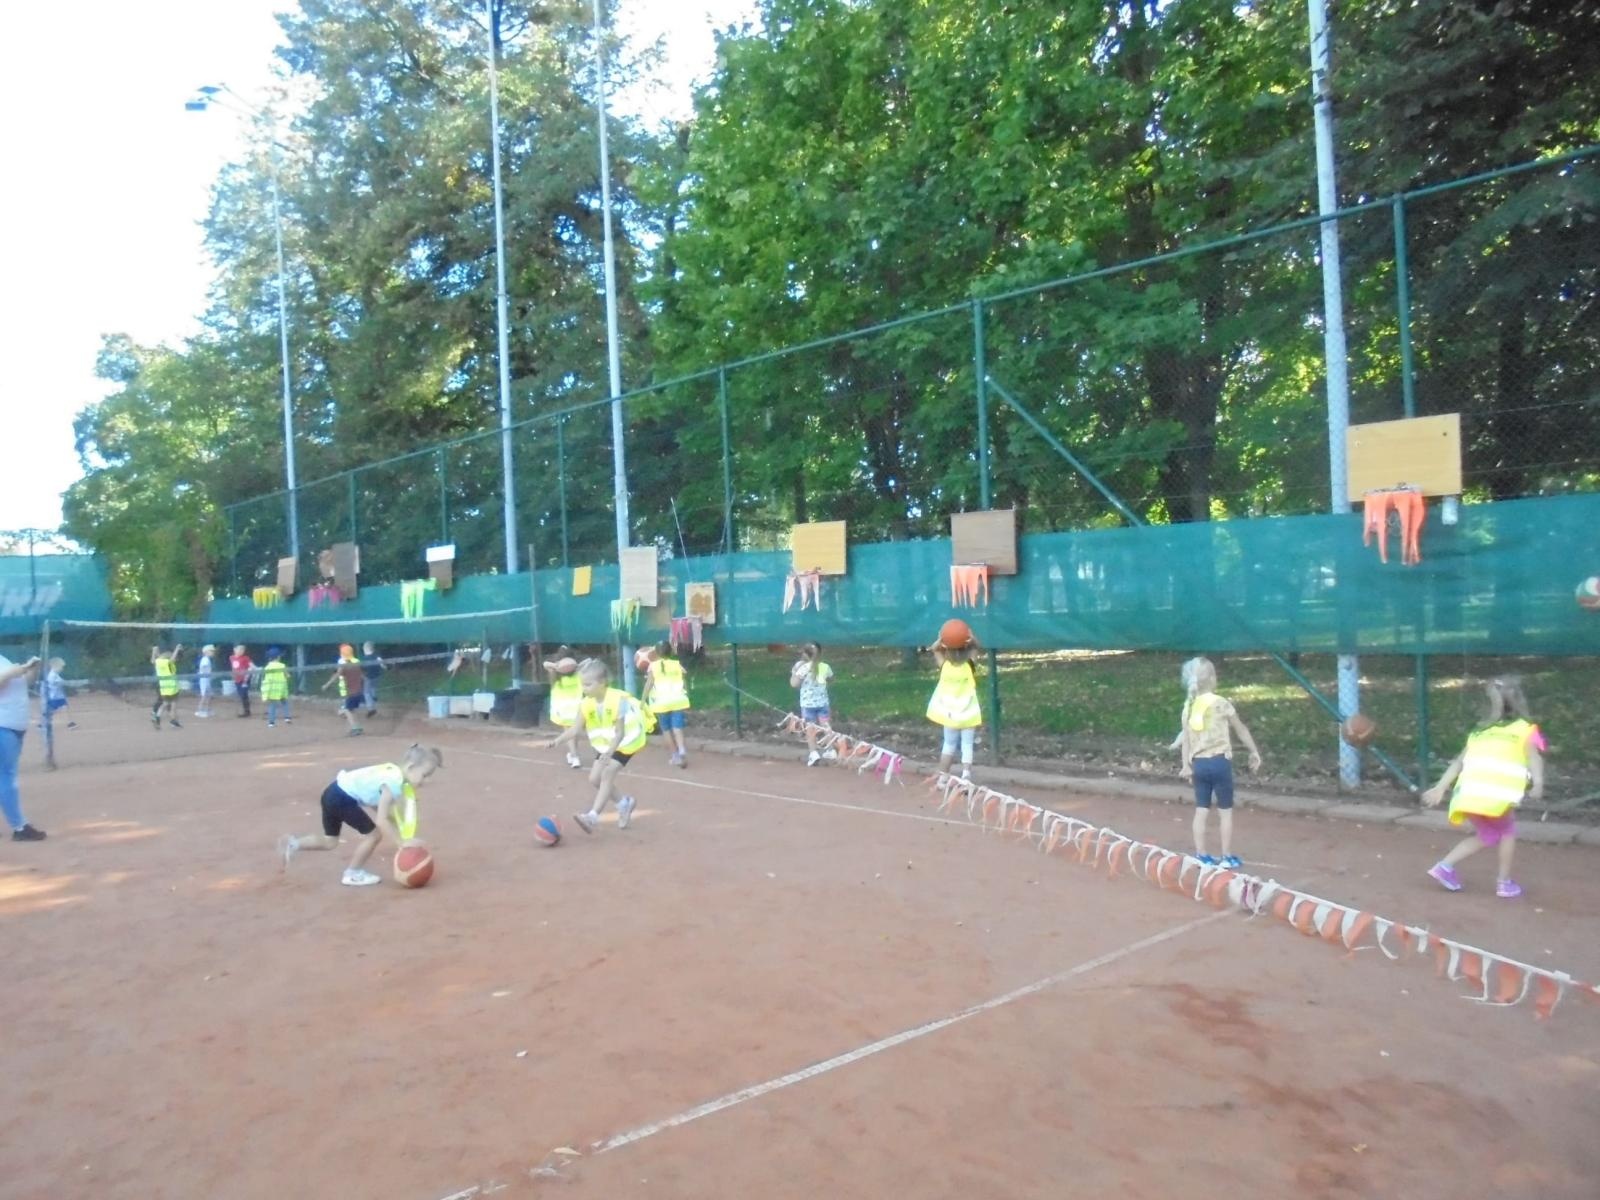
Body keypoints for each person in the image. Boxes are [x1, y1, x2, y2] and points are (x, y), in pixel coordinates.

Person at [1421, 676, 1545, 899]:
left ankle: (1444, 866)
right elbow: (1534, 758)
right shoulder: (1525, 730)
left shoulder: (1479, 733)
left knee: (1488, 835)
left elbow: (1459, 762)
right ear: (1519, 702)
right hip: (1496, 796)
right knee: (1507, 832)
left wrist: (1440, 787)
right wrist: (1538, 783)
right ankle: (1504, 883)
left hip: (1468, 795)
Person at [278, 743, 444, 887]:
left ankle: (294, 844)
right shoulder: (394, 782)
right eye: (425, 775)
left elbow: (375, 803)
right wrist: (401, 843)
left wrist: (400, 830)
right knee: (374, 835)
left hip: (332, 792)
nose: (426, 781)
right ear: (411, 767)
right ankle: (352, 873)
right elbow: (381, 819)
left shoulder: (391, 770)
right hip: (342, 798)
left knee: (330, 841)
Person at [1176, 657, 1262, 870]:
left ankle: (1202, 854)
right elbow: (1240, 729)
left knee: (1201, 809)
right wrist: (1254, 750)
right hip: (1220, 763)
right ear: (1213, 679)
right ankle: (1226, 856)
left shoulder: (1189, 707)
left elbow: (1186, 740)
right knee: (1225, 811)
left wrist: (1186, 765)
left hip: (1199, 765)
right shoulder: (1221, 703)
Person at [541, 659, 644, 834]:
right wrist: (557, 741)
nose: (584, 688)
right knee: (594, 779)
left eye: (588, 684)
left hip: (626, 741)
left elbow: (620, 732)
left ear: (602, 682)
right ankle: (624, 803)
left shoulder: (617, 700)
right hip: (606, 744)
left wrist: (610, 752)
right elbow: (574, 729)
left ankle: (592, 816)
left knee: (607, 773)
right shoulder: (586, 703)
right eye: (582, 684)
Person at [0, 652, 46, 841]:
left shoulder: (3, 659)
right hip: (4, 725)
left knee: (6, 775)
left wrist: (31, 671)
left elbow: (20, 684)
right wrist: (15, 671)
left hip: (14, 725)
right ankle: (20, 827)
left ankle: (19, 826)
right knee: (6, 776)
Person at [926, 636, 982, 780]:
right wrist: (969, 636)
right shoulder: (969, 665)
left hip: (950, 712)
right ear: (966, 651)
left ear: (947, 651)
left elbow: (935, 648)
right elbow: (976, 646)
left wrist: (941, 638)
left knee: (949, 744)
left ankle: (943, 777)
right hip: (968, 711)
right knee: (967, 744)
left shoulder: (944, 666)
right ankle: (966, 774)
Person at [643, 641, 691, 768]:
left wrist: (643, 701)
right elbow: (684, 682)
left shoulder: (653, 666)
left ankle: (675, 756)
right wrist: (687, 695)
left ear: (657, 653)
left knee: (666, 729)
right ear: (671, 652)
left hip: (661, 702)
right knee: (677, 728)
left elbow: (648, 685)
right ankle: (682, 749)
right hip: (678, 700)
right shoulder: (677, 665)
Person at [789, 642, 836, 766]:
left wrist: (794, 672)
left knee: (810, 728)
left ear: (805, 654)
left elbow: (794, 684)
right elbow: (831, 679)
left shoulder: (803, 668)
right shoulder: (825, 667)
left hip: (808, 704)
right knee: (826, 725)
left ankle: (813, 753)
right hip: (823, 702)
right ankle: (831, 750)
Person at [542, 648, 585, 769]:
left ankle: (574, 755)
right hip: (576, 705)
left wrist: (558, 665)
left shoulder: (555, 674)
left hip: (562, 707)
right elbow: (588, 662)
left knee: (569, 731)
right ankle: (573, 754)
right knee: (573, 732)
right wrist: (570, 664)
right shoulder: (579, 672)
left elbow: (545, 664)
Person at [321, 643, 366, 737]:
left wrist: (326, 685)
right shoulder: (357, 664)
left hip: (351, 693)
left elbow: (336, 676)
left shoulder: (344, 666)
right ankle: (357, 727)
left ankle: (355, 728)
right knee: (351, 710)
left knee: (346, 710)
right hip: (358, 692)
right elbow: (362, 677)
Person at [150, 643, 184, 729]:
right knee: (173, 704)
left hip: (164, 687)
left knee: (165, 703)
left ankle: (157, 716)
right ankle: (173, 721)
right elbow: (172, 659)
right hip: (172, 687)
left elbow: (153, 660)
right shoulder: (168, 662)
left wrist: (154, 651)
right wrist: (177, 649)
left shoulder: (158, 662)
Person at [260, 647, 292, 727]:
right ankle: (287, 718)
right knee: (285, 702)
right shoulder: (282, 665)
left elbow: (265, 678)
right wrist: (288, 676)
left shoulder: (267, 667)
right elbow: (287, 675)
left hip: (272, 689)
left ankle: (271, 723)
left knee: (272, 705)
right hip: (281, 688)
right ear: (278, 657)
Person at [40, 656, 73, 729]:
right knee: (51, 711)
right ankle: (43, 723)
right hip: (54, 697)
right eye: (61, 667)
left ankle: (70, 723)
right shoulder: (52, 676)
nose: (62, 669)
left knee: (64, 707)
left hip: (59, 696)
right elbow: (61, 683)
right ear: (55, 666)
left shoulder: (55, 675)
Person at [359, 641, 386, 717]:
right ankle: (373, 698)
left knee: (366, 692)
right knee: (373, 689)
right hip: (377, 676)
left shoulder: (363, 659)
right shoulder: (377, 656)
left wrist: (362, 676)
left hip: (368, 677)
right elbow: (383, 665)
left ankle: (371, 708)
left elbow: (361, 669)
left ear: (365, 649)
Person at [230, 644, 255, 718]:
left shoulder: (246, 658)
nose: (241, 651)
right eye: (240, 649)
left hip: (245, 679)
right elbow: (233, 668)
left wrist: (249, 671)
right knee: (241, 695)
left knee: (244, 694)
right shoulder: (231, 658)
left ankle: (247, 711)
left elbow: (252, 666)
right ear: (234, 649)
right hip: (237, 679)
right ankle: (246, 710)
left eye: (243, 649)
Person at [195, 644, 216, 718]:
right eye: (211, 651)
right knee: (204, 695)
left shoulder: (207, 659)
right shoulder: (205, 659)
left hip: (207, 679)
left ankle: (208, 710)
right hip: (204, 679)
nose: (213, 652)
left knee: (209, 695)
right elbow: (204, 668)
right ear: (206, 652)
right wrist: (208, 675)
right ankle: (199, 711)